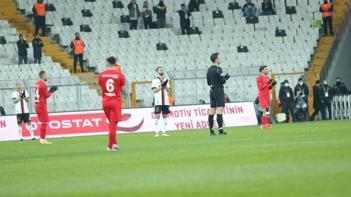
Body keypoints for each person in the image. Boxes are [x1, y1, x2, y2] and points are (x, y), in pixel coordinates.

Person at [98, 57, 126, 151]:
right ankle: (111, 146)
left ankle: (113, 144)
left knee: (111, 124)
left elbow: (101, 87)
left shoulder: (101, 75)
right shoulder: (120, 75)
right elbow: (123, 89)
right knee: (113, 125)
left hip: (105, 101)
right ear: (115, 64)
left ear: (107, 63)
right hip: (115, 101)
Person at [207, 53, 230, 136]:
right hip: (219, 91)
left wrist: (222, 79)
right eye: (219, 58)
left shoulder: (209, 69)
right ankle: (220, 131)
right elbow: (222, 81)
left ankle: (211, 131)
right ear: (216, 59)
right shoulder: (218, 69)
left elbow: (208, 82)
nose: (220, 59)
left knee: (212, 110)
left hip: (212, 91)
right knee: (220, 110)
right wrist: (225, 78)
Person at [34, 71, 58, 144]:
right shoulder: (43, 84)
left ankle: (42, 139)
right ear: (43, 76)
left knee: (44, 122)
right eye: (46, 75)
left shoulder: (37, 83)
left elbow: (40, 93)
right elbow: (46, 95)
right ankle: (43, 140)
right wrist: (51, 91)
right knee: (45, 122)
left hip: (37, 104)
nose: (47, 76)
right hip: (41, 104)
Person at [151, 66, 171, 137]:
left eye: (162, 69)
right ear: (157, 72)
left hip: (165, 101)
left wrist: (165, 86)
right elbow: (154, 90)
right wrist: (161, 86)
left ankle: (164, 132)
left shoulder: (166, 80)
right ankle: (156, 132)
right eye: (160, 70)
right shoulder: (155, 80)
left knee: (165, 116)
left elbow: (169, 91)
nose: (161, 70)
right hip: (158, 101)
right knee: (157, 116)